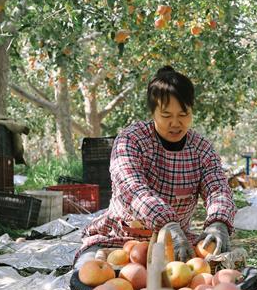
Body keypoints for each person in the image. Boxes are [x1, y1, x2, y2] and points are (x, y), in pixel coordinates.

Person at [75, 66, 236, 268]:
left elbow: (218, 188)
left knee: (221, 270)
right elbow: (132, 188)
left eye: (183, 114)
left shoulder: (201, 149)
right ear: (153, 113)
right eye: (166, 115)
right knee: (89, 270)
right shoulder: (131, 140)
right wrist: (166, 223)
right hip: (121, 239)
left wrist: (218, 221)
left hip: (177, 244)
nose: (175, 123)